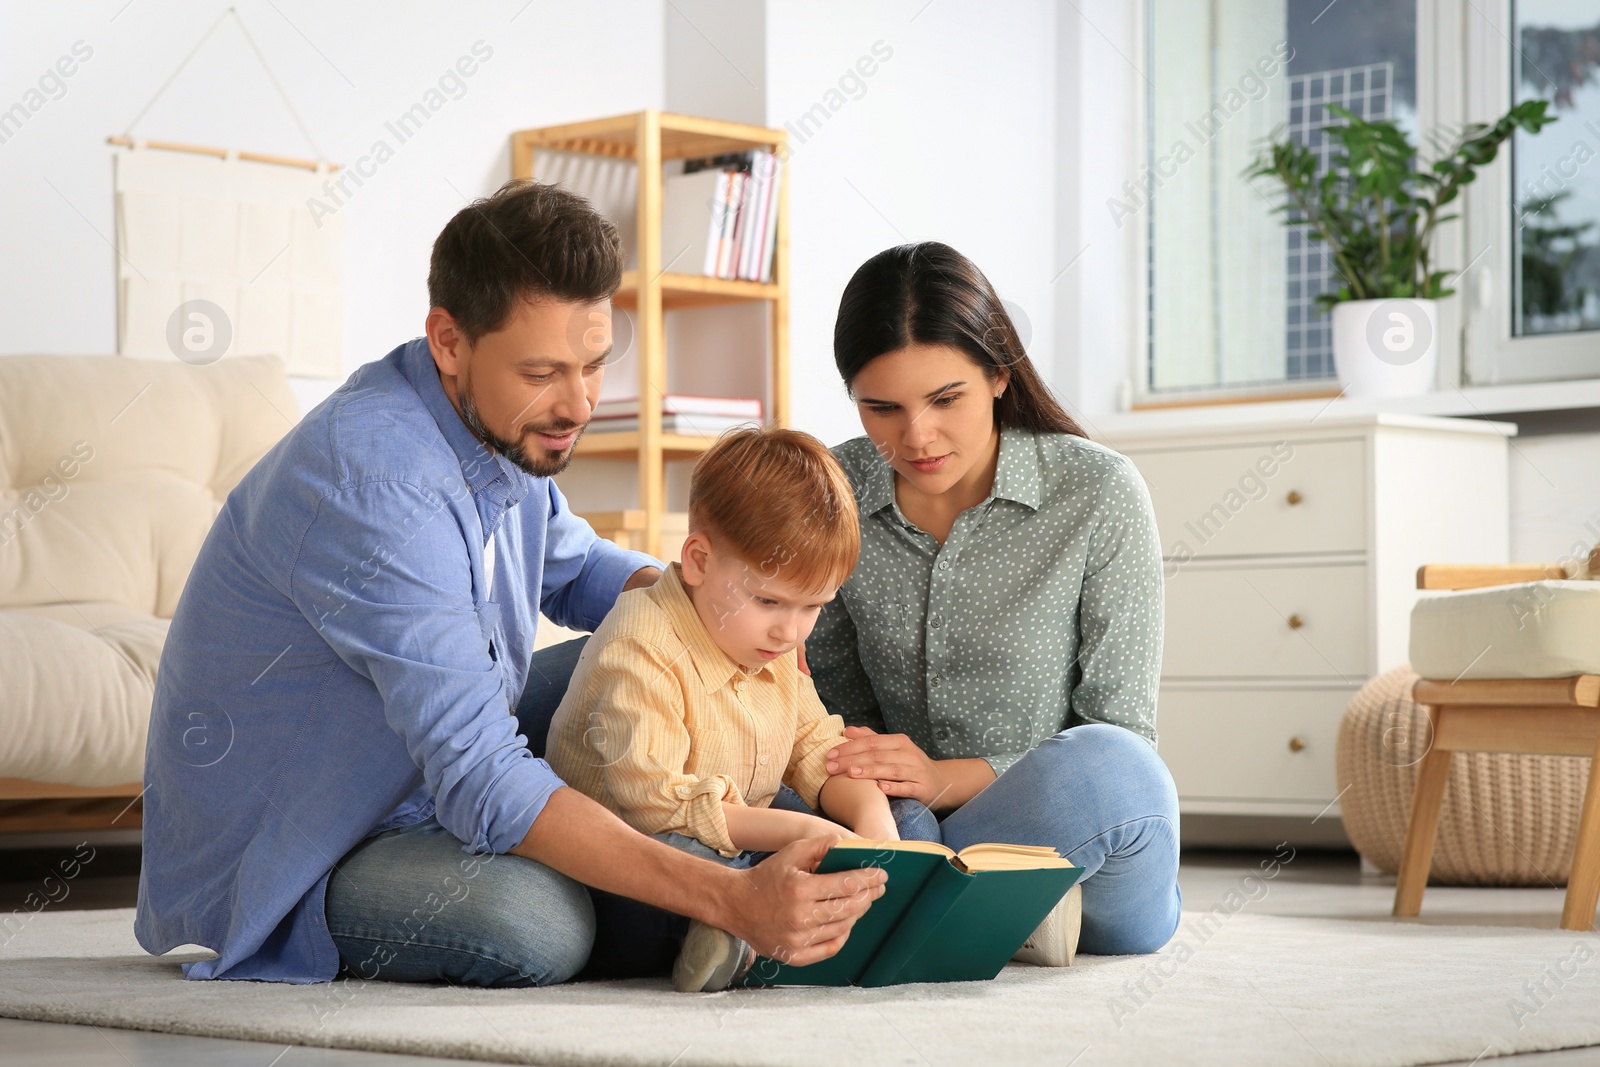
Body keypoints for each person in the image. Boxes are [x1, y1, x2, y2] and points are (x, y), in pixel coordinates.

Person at [134, 180, 885, 988]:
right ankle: (698, 899)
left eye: (594, 364)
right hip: (309, 843)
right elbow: (482, 774)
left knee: (675, 652)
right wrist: (731, 895)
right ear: (449, 341)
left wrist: (723, 615)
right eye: (544, 371)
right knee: (536, 924)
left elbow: (581, 570)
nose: (579, 403)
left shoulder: (502, 423)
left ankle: (713, 873)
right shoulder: (379, 484)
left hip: (421, 766)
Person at [801, 241, 1183, 961]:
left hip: (1060, 818)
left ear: (1000, 374)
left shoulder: (1098, 492)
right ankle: (987, 912)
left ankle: (940, 906)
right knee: (890, 827)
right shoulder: (833, 490)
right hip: (902, 823)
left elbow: (1121, 726)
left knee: (1115, 770)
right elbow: (835, 710)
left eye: (946, 400)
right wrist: (886, 786)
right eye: (881, 408)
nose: (916, 437)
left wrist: (946, 777)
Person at [545, 426, 902, 991]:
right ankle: (734, 929)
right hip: (636, 858)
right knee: (705, 860)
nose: (791, 630)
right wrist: (803, 833)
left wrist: (874, 824)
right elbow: (656, 806)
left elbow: (817, 747)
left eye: (813, 607)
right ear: (698, 561)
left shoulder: (772, 642)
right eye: (768, 601)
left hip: (733, 825)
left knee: (903, 818)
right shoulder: (641, 644)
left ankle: (878, 911)